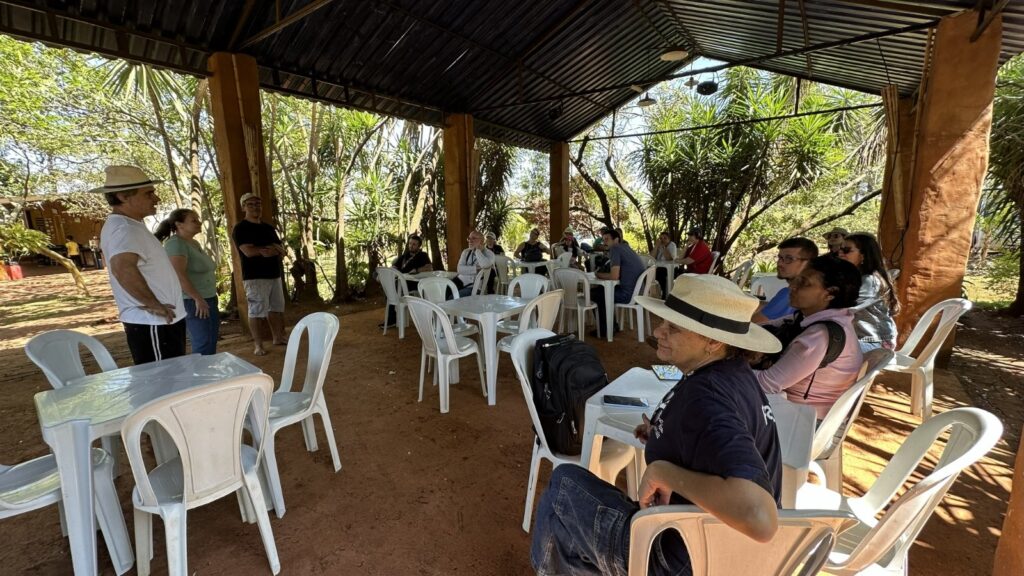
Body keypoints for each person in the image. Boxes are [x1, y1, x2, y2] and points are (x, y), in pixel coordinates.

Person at [532, 274, 784, 576]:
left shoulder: (707, 400)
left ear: (713, 341)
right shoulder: (733, 374)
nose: (658, 331)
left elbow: (759, 516)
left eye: (673, 328)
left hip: (680, 557)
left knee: (564, 485)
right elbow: (712, 441)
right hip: (718, 547)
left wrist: (662, 471)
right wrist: (664, 432)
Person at [90, 165, 186, 365]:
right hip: (153, 322)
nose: (156, 199)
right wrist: (153, 303)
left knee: (172, 379)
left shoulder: (130, 225)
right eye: (149, 193)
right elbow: (122, 268)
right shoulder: (124, 229)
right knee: (163, 380)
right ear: (124, 196)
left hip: (161, 320)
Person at [755, 256, 864, 419]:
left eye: (803, 284)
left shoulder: (820, 336)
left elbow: (767, 384)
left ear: (830, 294)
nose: (792, 287)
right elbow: (759, 330)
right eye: (796, 280)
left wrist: (720, 367)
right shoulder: (812, 317)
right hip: (791, 406)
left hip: (801, 419)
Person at [154, 209, 219, 356]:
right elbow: (178, 274)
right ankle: (203, 376)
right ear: (179, 225)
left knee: (209, 340)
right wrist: (198, 298)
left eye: (198, 219)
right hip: (194, 301)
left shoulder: (193, 242)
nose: (199, 223)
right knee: (204, 343)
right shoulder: (175, 244)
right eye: (193, 220)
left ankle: (207, 374)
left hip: (206, 298)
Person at [232, 192, 287, 356]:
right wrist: (268, 250)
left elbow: (281, 250)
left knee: (276, 308)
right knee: (256, 311)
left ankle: (278, 337)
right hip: (255, 276)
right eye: (250, 204)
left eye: (258, 204)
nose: (255, 207)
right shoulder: (241, 228)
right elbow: (247, 251)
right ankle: (258, 345)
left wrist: (271, 249)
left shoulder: (268, 228)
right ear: (244, 207)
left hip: (274, 274)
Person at [838, 232, 899, 353]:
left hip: (874, 342)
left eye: (846, 250)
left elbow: (846, 308)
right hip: (859, 339)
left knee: (825, 352)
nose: (840, 253)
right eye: (840, 249)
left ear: (863, 255)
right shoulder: (854, 277)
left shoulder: (870, 280)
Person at [592, 228, 645, 339]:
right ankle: (612, 326)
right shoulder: (626, 248)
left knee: (595, 293)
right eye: (603, 240)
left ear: (616, 239)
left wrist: (598, 275)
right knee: (602, 292)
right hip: (639, 293)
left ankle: (605, 330)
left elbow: (613, 276)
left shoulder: (615, 249)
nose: (604, 242)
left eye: (607, 239)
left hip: (627, 295)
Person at [753, 237, 819, 323]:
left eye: (789, 259)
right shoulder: (811, 292)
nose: (780, 263)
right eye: (780, 257)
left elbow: (753, 323)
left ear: (807, 263)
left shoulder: (792, 293)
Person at [382, 235, 432, 328]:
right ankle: (392, 317)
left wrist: (417, 270)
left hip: (414, 282)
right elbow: (395, 266)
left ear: (419, 246)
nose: (411, 246)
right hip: (400, 280)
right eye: (410, 243)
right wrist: (393, 269)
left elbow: (429, 267)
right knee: (390, 286)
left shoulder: (422, 255)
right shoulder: (405, 256)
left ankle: (392, 318)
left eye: (414, 244)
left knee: (392, 288)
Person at [454, 230, 494, 297]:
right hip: (460, 282)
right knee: (443, 292)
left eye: (474, 238)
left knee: (453, 297)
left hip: (474, 287)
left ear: (482, 241)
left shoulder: (489, 254)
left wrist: (477, 251)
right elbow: (459, 269)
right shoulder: (466, 252)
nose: (470, 241)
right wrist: (476, 269)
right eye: (469, 238)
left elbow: (484, 264)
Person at [651, 231, 678, 297]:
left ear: (669, 239)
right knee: (649, 272)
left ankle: (665, 295)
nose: (662, 240)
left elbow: (669, 258)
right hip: (659, 267)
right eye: (661, 238)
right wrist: (656, 246)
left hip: (670, 269)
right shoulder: (659, 246)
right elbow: (651, 257)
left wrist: (664, 247)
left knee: (660, 275)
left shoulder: (672, 245)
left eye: (665, 238)